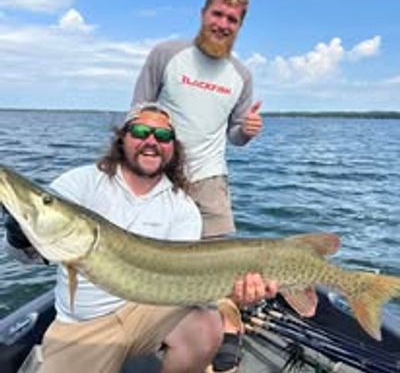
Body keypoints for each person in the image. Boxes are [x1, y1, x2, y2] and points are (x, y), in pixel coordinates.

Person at [4, 103, 277, 373]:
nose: (151, 141)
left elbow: (183, 284)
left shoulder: (183, 207)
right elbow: (26, 256)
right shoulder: (80, 182)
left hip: (148, 310)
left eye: (163, 136)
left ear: (173, 147)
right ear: (122, 138)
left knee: (205, 327)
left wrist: (232, 293)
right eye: (140, 132)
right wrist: (19, 235)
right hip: (83, 325)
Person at [129, 0, 262, 239]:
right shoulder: (166, 53)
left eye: (232, 19)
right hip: (159, 173)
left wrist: (246, 131)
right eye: (217, 14)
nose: (222, 24)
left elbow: (235, 136)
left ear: (239, 26)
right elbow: (137, 111)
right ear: (203, 14)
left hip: (210, 179)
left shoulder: (242, 75)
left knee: (217, 260)